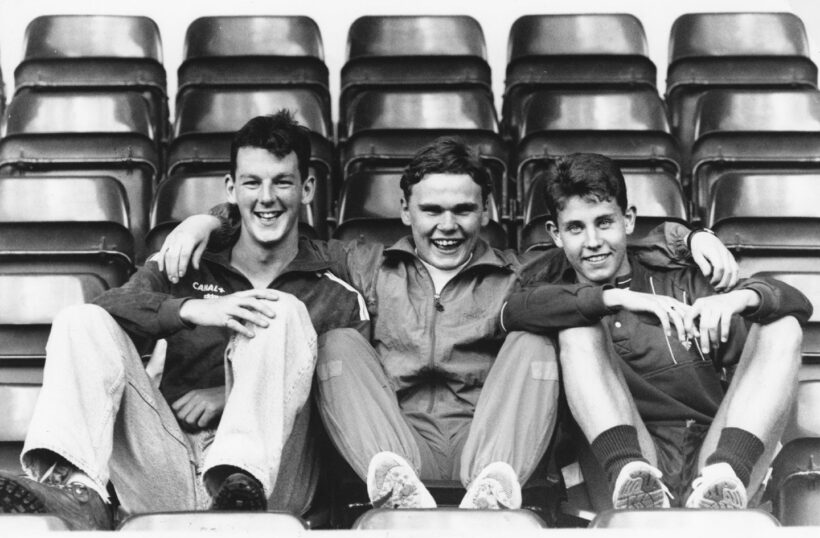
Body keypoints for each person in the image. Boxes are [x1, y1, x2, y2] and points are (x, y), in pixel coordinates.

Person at [158, 138, 738, 511]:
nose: (447, 225)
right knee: (336, 341)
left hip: (487, 452)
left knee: (537, 336)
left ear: (486, 212)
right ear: (405, 211)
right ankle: (398, 494)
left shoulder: (523, 272)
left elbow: (606, 232)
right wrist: (213, 218)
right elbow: (274, 225)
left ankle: (493, 491)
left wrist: (687, 235)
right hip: (392, 448)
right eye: (431, 211)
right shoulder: (361, 261)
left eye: (463, 210)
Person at [0, 111, 369, 530]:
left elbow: (346, 407)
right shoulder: (185, 261)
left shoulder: (336, 290)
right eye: (252, 182)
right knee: (80, 319)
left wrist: (228, 394)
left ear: (306, 188)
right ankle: (80, 492)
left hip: (272, 487)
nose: (266, 197)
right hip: (168, 465)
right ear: (232, 189)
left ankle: (240, 479)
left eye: (282, 181)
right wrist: (190, 309)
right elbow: (113, 306)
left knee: (280, 309)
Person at [501, 153, 812, 510]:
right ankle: (634, 484)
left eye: (604, 222)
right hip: (624, 458)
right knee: (577, 329)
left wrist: (740, 298)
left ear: (628, 220)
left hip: (712, 455)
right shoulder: (546, 286)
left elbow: (798, 304)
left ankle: (724, 482)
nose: (593, 241)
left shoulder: (679, 277)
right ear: (556, 234)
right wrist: (620, 298)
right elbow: (513, 311)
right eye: (575, 228)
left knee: (782, 325)